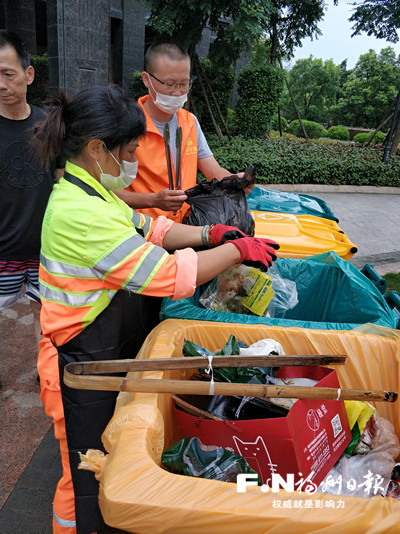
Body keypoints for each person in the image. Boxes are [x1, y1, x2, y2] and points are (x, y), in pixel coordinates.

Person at [33, 84, 279, 534]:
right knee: (84, 476)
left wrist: (212, 236)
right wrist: (239, 251)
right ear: (96, 149)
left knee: (104, 465)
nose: (131, 161)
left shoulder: (91, 192)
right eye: (128, 150)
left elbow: (152, 230)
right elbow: (166, 274)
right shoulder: (80, 214)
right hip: (75, 365)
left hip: (97, 357)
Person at [116, 42, 253, 222]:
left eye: (184, 84)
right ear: (146, 79)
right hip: (142, 229)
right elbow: (106, 191)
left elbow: (212, 169)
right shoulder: (124, 123)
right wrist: (154, 200)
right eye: (170, 84)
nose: (177, 92)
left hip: (185, 226)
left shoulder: (189, 122)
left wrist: (236, 180)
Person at [0, 30, 55, 356]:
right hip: (1, 251)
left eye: (8, 74)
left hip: (43, 247)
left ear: (28, 74)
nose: (2, 84)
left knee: (43, 312)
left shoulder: (48, 124)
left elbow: (63, 179)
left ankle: (44, 371)